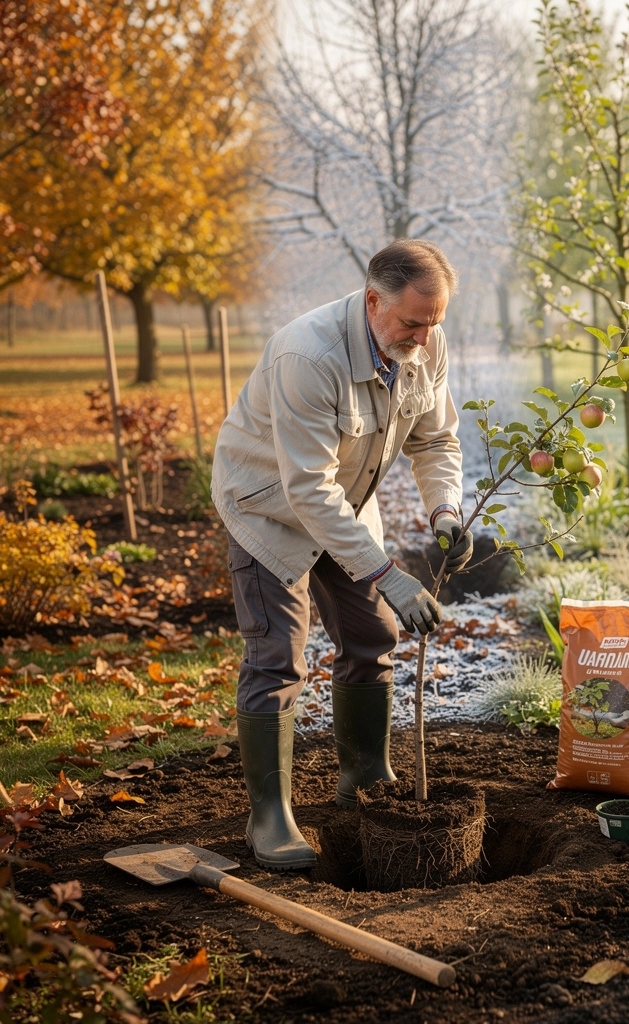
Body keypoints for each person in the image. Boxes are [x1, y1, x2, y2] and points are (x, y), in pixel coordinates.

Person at [212, 239, 473, 870]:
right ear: (373, 299)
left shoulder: (423, 342)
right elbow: (307, 489)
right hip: (269, 509)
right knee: (277, 657)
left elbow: (436, 439)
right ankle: (269, 817)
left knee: (372, 635)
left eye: (433, 323)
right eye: (412, 322)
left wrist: (445, 510)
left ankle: (364, 774)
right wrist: (388, 573)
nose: (423, 337)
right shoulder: (309, 354)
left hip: (347, 507)